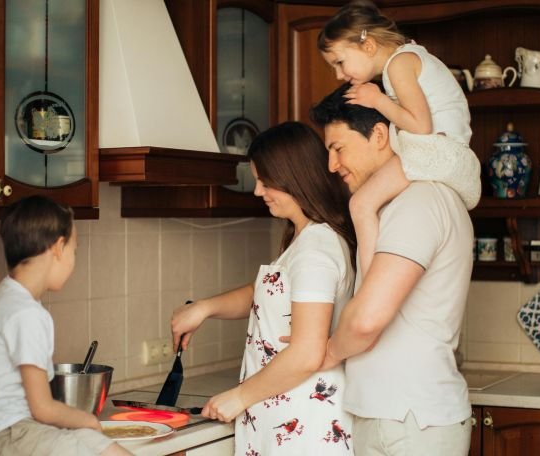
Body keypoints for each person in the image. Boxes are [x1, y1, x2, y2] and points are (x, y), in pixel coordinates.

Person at [170, 122, 357, 455]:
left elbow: (307, 352)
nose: (258, 192)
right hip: (288, 417)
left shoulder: (316, 249)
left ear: (295, 177)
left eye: (265, 181)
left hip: (306, 426)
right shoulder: (306, 239)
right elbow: (272, 291)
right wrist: (204, 308)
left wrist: (239, 397)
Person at [310, 84, 474, 455]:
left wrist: (330, 351)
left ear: (380, 135)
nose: (332, 166)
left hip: (413, 421)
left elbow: (368, 319)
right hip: (396, 416)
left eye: (338, 148)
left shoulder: (421, 200)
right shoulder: (394, 203)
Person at [318, 0, 480, 276]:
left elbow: (420, 125)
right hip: (448, 153)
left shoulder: (399, 65)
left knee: (361, 204)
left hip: (434, 151)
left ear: (368, 46)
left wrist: (377, 100)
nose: (338, 75)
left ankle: (367, 285)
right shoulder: (410, 56)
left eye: (340, 62)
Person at [0, 195, 131, 456]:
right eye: (75, 249)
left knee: (103, 446)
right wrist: (88, 420)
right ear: (58, 248)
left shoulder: (5, 298)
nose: (73, 259)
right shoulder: (26, 313)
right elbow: (43, 408)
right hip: (10, 434)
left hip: (9, 430)